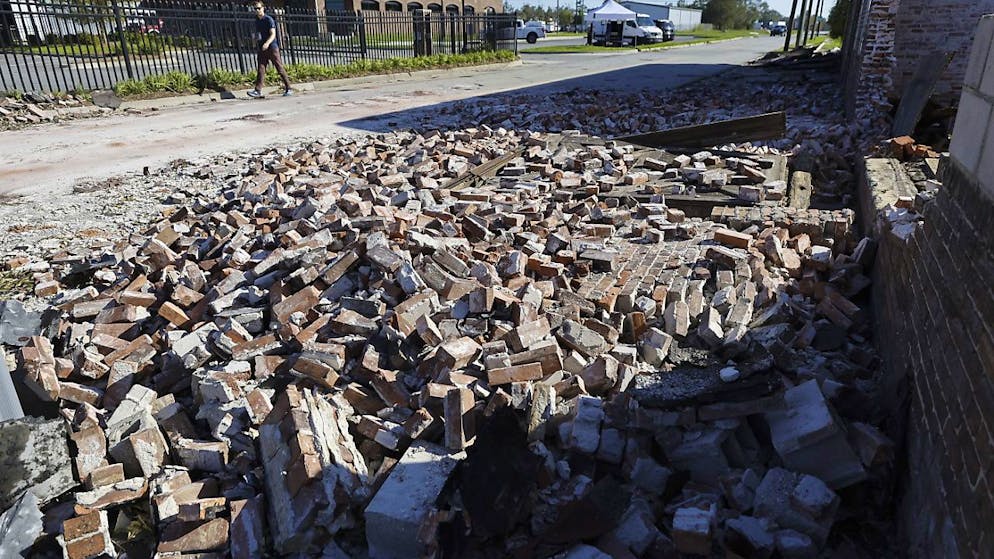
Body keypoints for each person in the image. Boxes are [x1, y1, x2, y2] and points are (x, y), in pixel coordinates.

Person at [248, 0, 292, 98]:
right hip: (262, 48)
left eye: (259, 8)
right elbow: (257, 34)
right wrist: (255, 41)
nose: (257, 10)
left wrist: (267, 43)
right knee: (261, 68)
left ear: (263, 8)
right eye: (255, 9)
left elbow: (273, 34)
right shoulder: (256, 20)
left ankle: (289, 88)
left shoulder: (268, 19)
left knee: (279, 67)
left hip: (272, 47)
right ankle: (257, 90)